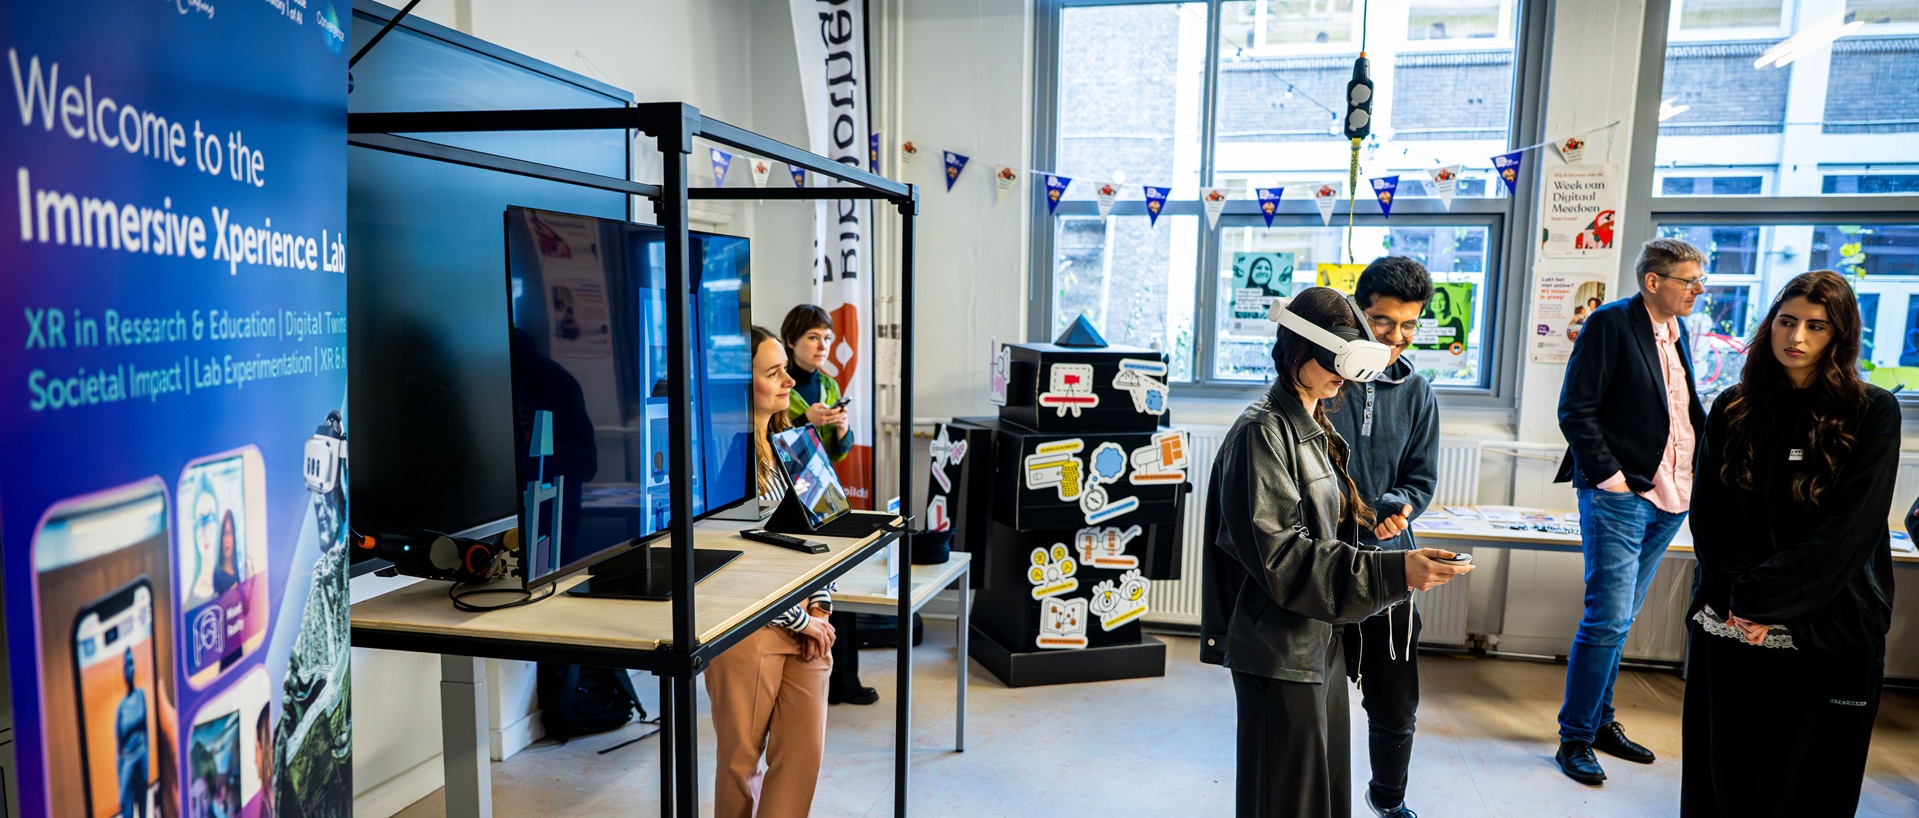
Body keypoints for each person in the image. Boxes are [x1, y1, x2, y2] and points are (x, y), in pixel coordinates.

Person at [1201, 286, 1471, 818]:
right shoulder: (1262, 433)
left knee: (1322, 796)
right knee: (1287, 802)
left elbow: (1329, 524)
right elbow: (1285, 560)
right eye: (1334, 361)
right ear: (1296, 350)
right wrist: (1395, 573)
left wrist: (1392, 537)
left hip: (1317, 638)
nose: (1343, 377)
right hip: (1280, 651)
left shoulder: (1313, 422)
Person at [1682, 271, 1899, 815]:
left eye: (1816, 326)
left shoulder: (1872, 411)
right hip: (1731, 618)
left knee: (1803, 782)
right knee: (1724, 774)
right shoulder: (1732, 406)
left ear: (1840, 335)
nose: (1796, 336)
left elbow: (1850, 531)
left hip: (1826, 623)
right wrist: (1742, 601)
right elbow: (1710, 516)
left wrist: (1764, 601)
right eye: (1786, 321)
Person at [1552, 237, 1708, 785]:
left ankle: (1600, 723)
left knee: (1621, 621)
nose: (1698, 290)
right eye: (1689, 280)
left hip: (1671, 497)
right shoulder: (1611, 322)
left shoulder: (1675, 331)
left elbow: (1681, 411)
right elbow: (1575, 409)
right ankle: (1575, 737)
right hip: (1621, 495)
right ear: (1653, 281)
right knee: (1607, 619)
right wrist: (1611, 480)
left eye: (1700, 281)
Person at [1326, 258, 1441, 818]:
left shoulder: (1418, 392)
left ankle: (1388, 800)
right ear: (1357, 312)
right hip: (1321, 567)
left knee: (1395, 701)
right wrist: (1352, 511)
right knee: (1314, 697)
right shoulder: (1324, 382)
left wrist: (1398, 507)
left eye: (1409, 325)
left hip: (1389, 570)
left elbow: (1420, 479)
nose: (1396, 337)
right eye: (1383, 322)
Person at [705, 325, 835, 818]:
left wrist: (820, 608)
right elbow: (734, 566)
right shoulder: (722, 459)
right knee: (740, 764)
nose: (790, 381)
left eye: (786, 369)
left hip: (809, 622)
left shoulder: (798, 443)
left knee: (803, 758)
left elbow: (829, 533)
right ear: (743, 384)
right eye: (774, 372)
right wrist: (802, 620)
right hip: (749, 627)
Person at [780, 304, 877, 706]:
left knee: (839, 582)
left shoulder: (830, 385)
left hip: (822, 492)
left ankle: (845, 681)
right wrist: (806, 421)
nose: (822, 346)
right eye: (813, 338)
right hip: (787, 499)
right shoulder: (781, 385)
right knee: (805, 590)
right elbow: (773, 439)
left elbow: (837, 453)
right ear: (790, 341)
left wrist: (841, 429)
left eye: (827, 338)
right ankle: (810, 677)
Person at [117, 649, 150, 818]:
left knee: (143, 807)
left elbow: (147, 730)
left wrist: (147, 764)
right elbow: (119, 747)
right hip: (127, 761)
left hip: (141, 756)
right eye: (126, 665)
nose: (129, 669)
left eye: (131, 663)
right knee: (127, 807)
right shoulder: (121, 707)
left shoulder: (141, 695)